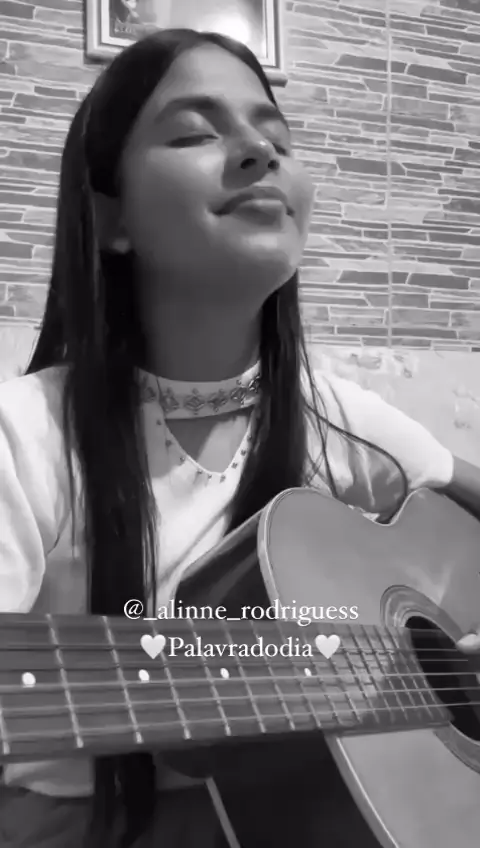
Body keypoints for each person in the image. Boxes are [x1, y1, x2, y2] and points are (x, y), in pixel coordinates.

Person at [0, 27, 480, 848]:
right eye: (195, 132)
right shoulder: (25, 434)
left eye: (276, 135)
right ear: (110, 218)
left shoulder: (334, 414)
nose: (260, 152)